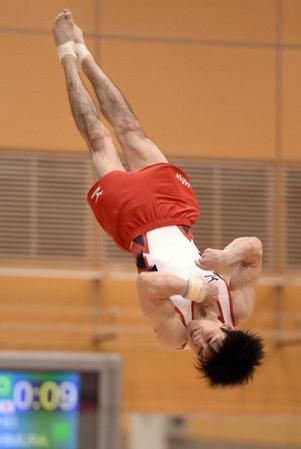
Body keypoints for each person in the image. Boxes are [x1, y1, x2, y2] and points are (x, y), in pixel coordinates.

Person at [52, 9, 264, 388]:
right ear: (230, 331)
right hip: (176, 211)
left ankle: (66, 55)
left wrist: (193, 289)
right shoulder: (239, 304)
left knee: (99, 140)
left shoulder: (173, 334)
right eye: (211, 341)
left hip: (135, 226)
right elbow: (255, 249)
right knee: (130, 128)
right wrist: (228, 258)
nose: (199, 342)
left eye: (200, 352)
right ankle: (85, 53)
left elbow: (145, 287)